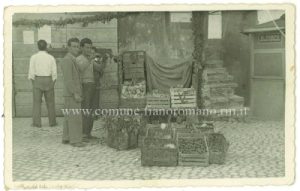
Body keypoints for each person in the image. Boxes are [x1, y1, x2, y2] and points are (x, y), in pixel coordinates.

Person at [61, 38, 86, 147]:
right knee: (75, 117)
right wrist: (75, 93)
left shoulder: (72, 59)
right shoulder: (67, 60)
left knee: (69, 117)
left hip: (69, 93)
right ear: (69, 47)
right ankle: (75, 140)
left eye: (77, 46)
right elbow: (68, 79)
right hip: (71, 93)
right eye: (74, 46)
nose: (76, 48)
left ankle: (66, 137)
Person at [28, 39, 57, 127]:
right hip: (48, 80)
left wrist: (34, 84)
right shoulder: (51, 57)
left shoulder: (33, 57)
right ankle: (52, 122)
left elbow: (31, 72)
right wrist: (52, 84)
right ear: (46, 46)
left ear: (38, 47)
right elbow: (54, 73)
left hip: (37, 80)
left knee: (36, 102)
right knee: (51, 102)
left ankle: (37, 123)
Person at [76, 38, 98, 140]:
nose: (89, 50)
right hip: (85, 86)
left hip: (93, 85)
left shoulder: (91, 58)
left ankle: (88, 133)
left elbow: (99, 69)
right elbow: (80, 68)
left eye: (90, 47)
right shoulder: (79, 58)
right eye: (87, 47)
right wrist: (90, 59)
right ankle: (83, 134)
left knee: (92, 111)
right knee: (85, 110)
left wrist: (105, 60)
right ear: (81, 48)